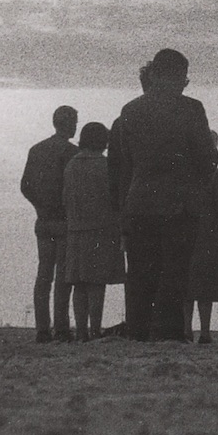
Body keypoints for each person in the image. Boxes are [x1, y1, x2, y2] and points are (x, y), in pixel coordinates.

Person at [110, 49, 218, 342]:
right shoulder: (192, 109)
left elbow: (124, 166)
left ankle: (138, 331)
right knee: (175, 271)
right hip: (180, 202)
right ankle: (169, 333)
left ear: (155, 74)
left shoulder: (130, 111)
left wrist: (123, 209)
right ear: (181, 77)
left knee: (141, 274)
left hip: (140, 201)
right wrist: (197, 186)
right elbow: (207, 158)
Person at [19, 106, 79, 343]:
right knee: (63, 277)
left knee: (43, 275)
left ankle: (42, 329)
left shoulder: (37, 150)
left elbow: (25, 185)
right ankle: (62, 328)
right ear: (70, 123)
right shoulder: (72, 152)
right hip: (64, 220)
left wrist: (39, 205)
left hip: (43, 219)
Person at [62, 121, 124, 339]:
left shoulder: (71, 165)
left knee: (78, 283)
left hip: (75, 230)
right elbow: (114, 199)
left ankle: (80, 331)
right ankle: (95, 328)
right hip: (100, 230)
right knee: (97, 283)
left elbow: (65, 198)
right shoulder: (105, 166)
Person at [188, 164, 218, 343]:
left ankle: (186, 329)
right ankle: (204, 331)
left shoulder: (182, 170)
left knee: (187, 284)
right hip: (210, 234)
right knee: (205, 288)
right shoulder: (214, 175)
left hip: (185, 232)